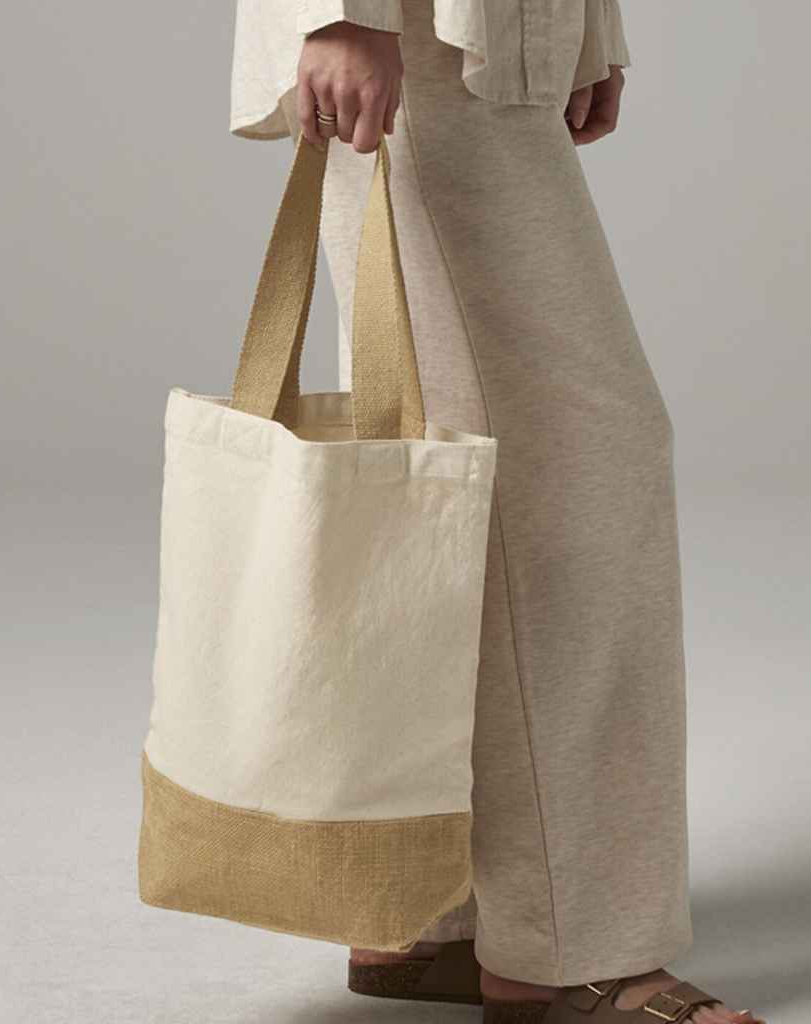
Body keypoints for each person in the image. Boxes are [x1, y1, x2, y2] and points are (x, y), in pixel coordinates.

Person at [229, 3, 764, 1022]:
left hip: (462, 38)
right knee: (573, 481)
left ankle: (442, 909)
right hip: (417, 36)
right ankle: (573, 950)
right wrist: (342, 11)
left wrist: (578, 26)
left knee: (446, 477)